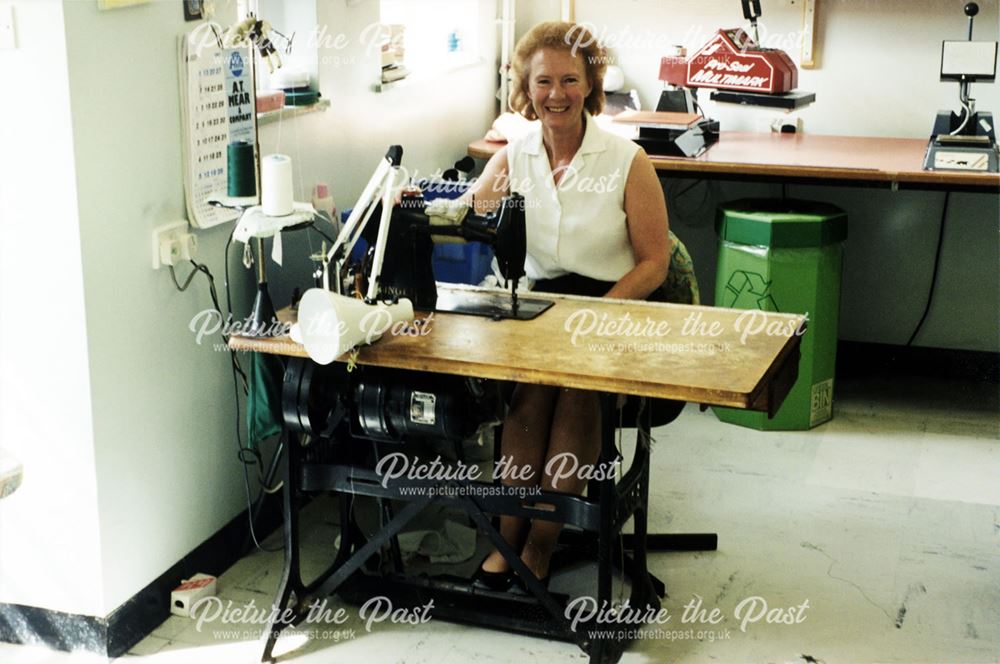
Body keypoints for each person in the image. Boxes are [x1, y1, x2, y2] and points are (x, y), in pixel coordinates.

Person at [460, 21, 671, 591]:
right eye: (543, 81)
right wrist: (413, 205)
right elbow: (467, 219)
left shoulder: (628, 161)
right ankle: (509, 541)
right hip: (541, 305)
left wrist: (597, 312)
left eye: (570, 80)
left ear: (590, 85)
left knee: (577, 393)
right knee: (528, 400)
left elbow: (655, 262)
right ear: (525, 91)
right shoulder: (513, 157)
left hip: (612, 304)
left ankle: (541, 546)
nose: (556, 94)